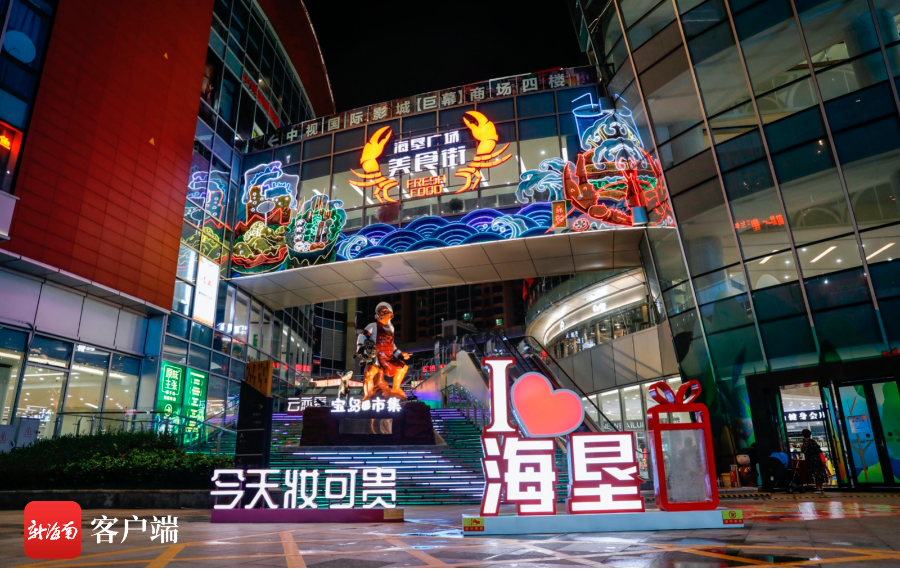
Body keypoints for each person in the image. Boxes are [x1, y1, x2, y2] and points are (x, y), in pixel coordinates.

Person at [800, 428, 828, 492]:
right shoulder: (812, 441)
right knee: (819, 473)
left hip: (810, 461)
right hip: (817, 459)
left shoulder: (805, 442)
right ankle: (820, 486)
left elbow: (804, 451)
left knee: (814, 473)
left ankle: (817, 487)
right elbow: (819, 450)